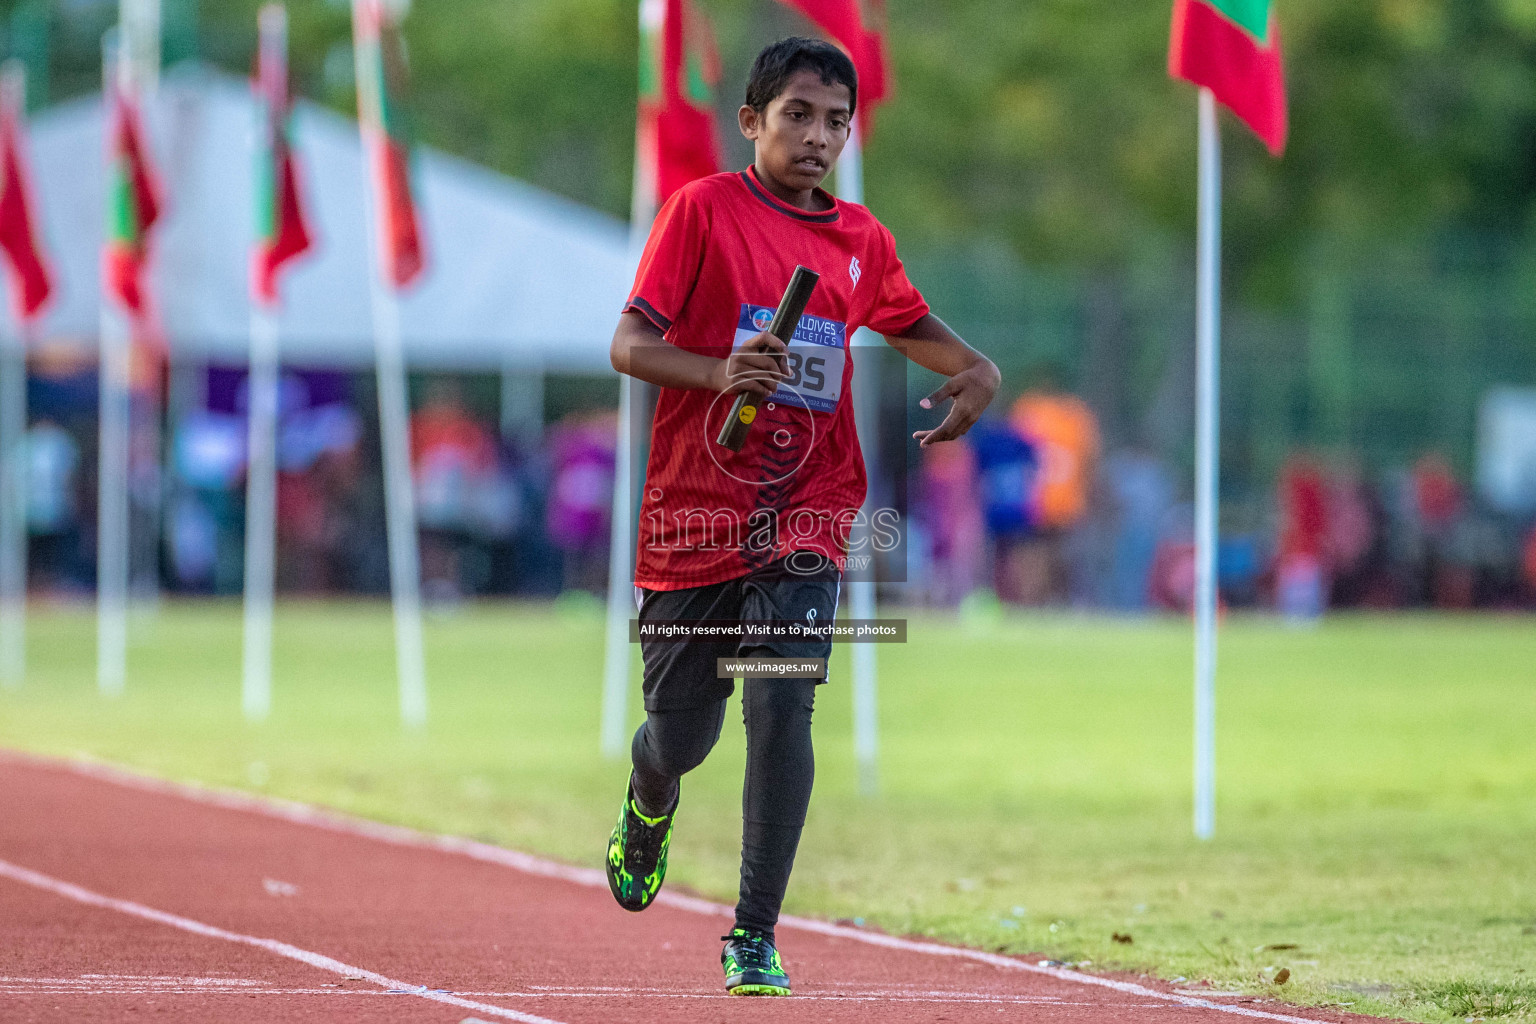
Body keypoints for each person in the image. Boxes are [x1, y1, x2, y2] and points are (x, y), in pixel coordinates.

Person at [605, 37, 999, 997]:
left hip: (810, 515)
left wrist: (976, 370)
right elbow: (627, 344)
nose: (819, 137)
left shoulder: (861, 241)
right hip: (695, 515)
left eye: (835, 121)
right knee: (684, 735)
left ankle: (754, 933)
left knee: (784, 704)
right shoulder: (701, 213)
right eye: (798, 116)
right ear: (752, 122)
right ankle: (648, 796)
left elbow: (916, 328)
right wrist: (718, 372)